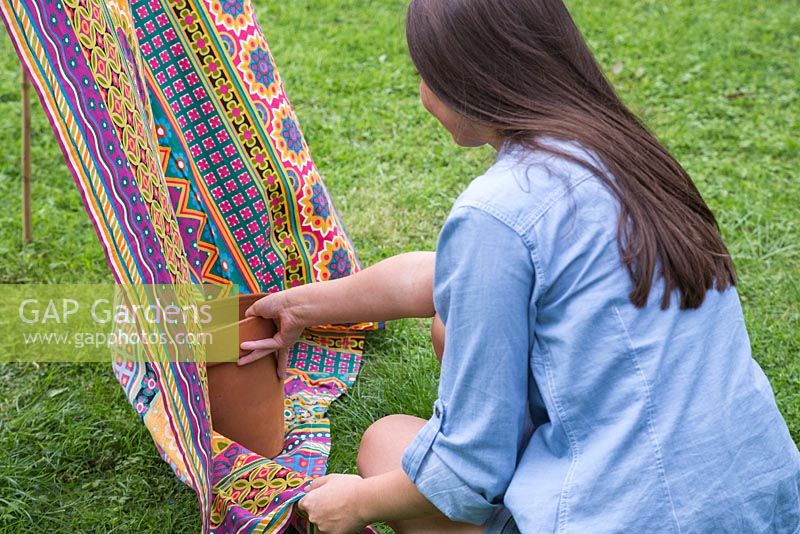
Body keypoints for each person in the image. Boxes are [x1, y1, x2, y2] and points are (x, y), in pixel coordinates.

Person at [240, 0, 800, 532]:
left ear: (469, 79)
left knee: (386, 443)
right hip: (763, 506)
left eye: (426, 74)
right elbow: (441, 278)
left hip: (622, 518)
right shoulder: (625, 153)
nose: (422, 92)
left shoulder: (499, 211)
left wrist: (353, 502)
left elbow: (467, 470)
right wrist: (300, 305)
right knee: (448, 326)